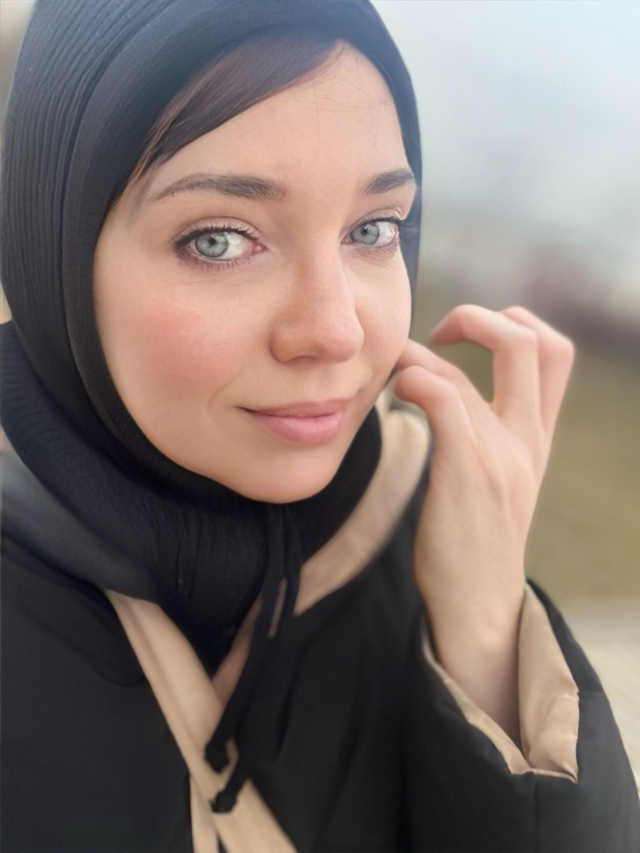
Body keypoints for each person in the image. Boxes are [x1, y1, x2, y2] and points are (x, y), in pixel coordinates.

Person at [1, 1, 638, 851]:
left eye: (373, 229)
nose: (335, 331)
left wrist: (488, 628)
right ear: (51, 240)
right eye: (220, 240)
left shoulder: (423, 529)